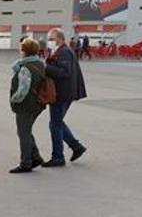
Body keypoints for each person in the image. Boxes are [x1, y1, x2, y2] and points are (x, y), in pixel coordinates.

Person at [42, 28, 88, 166]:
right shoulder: (60, 51)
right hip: (62, 93)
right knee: (57, 122)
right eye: (48, 39)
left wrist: (45, 67)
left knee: (55, 124)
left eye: (51, 39)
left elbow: (65, 73)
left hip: (62, 94)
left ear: (60, 39)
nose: (49, 42)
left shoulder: (64, 52)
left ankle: (58, 157)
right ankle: (76, 146)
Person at [8, 38, 47, 173]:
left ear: (24, 51)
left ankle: (26, 163)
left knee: (23, 133)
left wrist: (14, 99)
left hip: (26, 105)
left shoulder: (25, 68)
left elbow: (23, 89)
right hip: (37, 103)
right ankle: (36, 157)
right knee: (26, 131)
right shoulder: (39, 63)